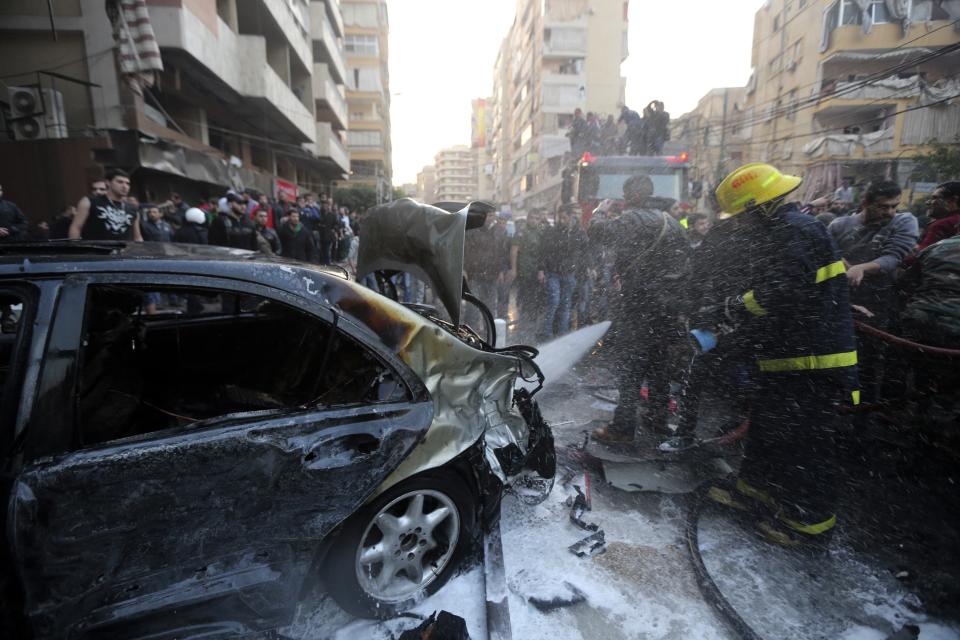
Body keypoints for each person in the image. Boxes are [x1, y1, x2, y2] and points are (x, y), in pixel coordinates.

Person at [690, 162, 858, 548]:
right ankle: (753, 492)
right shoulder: (784, 231)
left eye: (740, 215)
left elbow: (781, 291)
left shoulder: (795, 231)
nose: (738, 223)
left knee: (805, 443)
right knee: (768, 430)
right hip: (786, 357)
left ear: (757, 207)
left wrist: (731, 309)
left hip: (813, 361)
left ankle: (809, 523)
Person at [588, 175, 688, 444]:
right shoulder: (674, 223)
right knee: (660, 367)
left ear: (630, 195)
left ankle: (622, 429)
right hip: (668, 309)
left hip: (640, 305)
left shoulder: (635, 218)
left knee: (631, 368)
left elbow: (598, 232)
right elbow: (686, 268)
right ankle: (657, 419)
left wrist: (600, 211)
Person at [827, 180, 918, 404]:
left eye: (894, 206)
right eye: (883, 206)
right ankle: (837, 408)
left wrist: (860, 268)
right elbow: (825, 253)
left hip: (879, 300)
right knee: (837, 356)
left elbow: (893, 257)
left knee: (869, 361)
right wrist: (840, 263)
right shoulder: (839, 225)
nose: (890, 212)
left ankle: (862, 411)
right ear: (865, 203)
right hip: (841, 300)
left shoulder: (904, 221)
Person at [538, 205, 585, 340]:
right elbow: (544, 251)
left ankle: (561, 334)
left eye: (564, 218)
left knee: (566, 304)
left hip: (569, 273)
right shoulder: (552, 232)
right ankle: (546, 333)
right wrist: (541, 270)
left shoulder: (578, 232)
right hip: (553, 272)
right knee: (554, 301)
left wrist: (585, 268)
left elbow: (584, 252)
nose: (561, 220)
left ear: (571, 217)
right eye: (560, 217)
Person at [464, 208, 509, 331]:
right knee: (472, 307)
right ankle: (470, 332)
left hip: (491, 275)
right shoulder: (471, 231)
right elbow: (465, 251)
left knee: (489, 307)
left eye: (492, 215)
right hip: (474, 275)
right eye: (488, 215)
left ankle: (488, 332)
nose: (490, 218)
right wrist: (464, 270)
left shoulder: (498, 232)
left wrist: (500, 271)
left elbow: (501, 253)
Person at [70, 169, 143, 241]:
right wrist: (77, 249)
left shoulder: (133, 209)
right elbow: (76, 227)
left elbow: (137, 237)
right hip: (96, 250)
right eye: (120, 182)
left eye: (127, 183)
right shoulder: (89, 202)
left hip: (124, 251)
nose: (125, 186)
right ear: (108, 183)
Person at [515, 209, 547, 341]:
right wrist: (514, 269)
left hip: (536, 272)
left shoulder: (541, 233)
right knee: (524, 299)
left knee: (535, 300)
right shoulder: (522, 232)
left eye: (536, 218)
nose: (533, 220)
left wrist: (541, 270)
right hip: (524, 271)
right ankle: (522, 328)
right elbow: (515, 251)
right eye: (531, 218)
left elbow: (543, 253)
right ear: (528, 218)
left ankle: (531, 327)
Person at [915, 181, 960, 252]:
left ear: (953, 200)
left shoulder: (942, 225)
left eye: (935, 198)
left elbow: (920, 256)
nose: (928, 202)